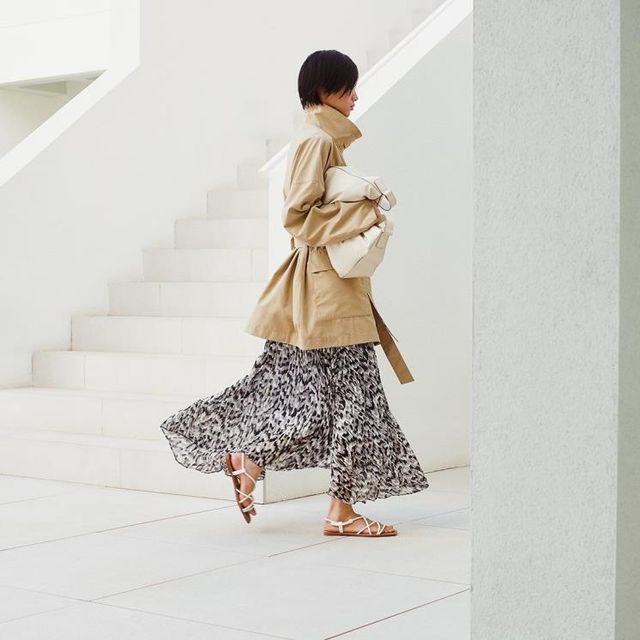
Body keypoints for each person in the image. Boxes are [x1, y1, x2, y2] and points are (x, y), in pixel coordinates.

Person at [159, 49, 429, 538]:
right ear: (325, 90)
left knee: (319, 399)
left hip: (322, 289)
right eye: (348, 88)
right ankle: (337, 511)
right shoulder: (317, 140)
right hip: (325, 292)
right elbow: (297, 217)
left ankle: (255, 462)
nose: (355, 97)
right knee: (356, 402)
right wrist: (364, 212)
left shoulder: (320, 138)